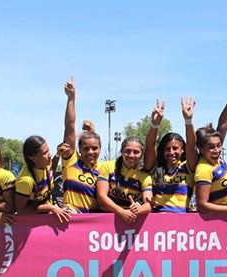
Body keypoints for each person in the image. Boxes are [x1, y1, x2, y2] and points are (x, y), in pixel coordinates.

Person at [190, 74, 227, 225]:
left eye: (219, 145)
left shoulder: (216, 159)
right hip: (215, 224)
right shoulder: (204, 169)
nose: (217, 150)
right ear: (201, 149)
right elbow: (202, 205)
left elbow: (225, 123)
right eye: (211, 147)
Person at [143, 97, 197, 213]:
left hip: (181, 221)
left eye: (175, 148)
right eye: (167, 149)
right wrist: (155, 124)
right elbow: (149, 145)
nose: (171, 152)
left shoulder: (187, 167)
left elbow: (192, 145)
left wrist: (188, 121)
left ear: (183, 150)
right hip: (157, 221)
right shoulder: (155, 168)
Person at [59, 76, 102, 213]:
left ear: (100, 149)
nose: (90, 152)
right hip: (71, 218)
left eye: (94, 148)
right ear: (79, 149)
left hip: (93, 223)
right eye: (86, 148)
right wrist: (71, 98)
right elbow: (70, 127)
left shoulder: (103, 170)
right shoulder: (72, 161)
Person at [96, 136, 153, 223]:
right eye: (127, 151)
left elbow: (148, 205)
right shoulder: (107, 166)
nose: (131, 155)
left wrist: (139, 209)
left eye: (136, 152)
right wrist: (121, 212)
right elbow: (101, 197)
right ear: (121, 151)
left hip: (129, 221)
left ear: (141, 154)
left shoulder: (145, 176)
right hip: (104, 219)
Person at [14, 135, 70, 223]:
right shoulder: (26, 181)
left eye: (48, 150)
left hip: (46, 218)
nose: (49, 154)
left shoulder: (44, 165)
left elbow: (51, 170)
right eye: (45, 153)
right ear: (33, 158)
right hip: (31, 223)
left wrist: (58, 155)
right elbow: (21, 210)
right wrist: (50, 207)